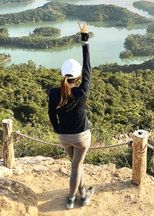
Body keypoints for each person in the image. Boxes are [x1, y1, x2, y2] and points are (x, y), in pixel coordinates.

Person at [48, 22, 94, 209]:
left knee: (77, 165)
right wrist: (85, 39)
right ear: (78, 77)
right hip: (81, 137)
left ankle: (84, 195)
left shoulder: (53, 92)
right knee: (76, 167)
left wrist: (58, 129)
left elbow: (51, 113)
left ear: (63, 75)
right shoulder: (82, 91)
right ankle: (71, 198)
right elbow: (89, 68)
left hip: (63, 137)